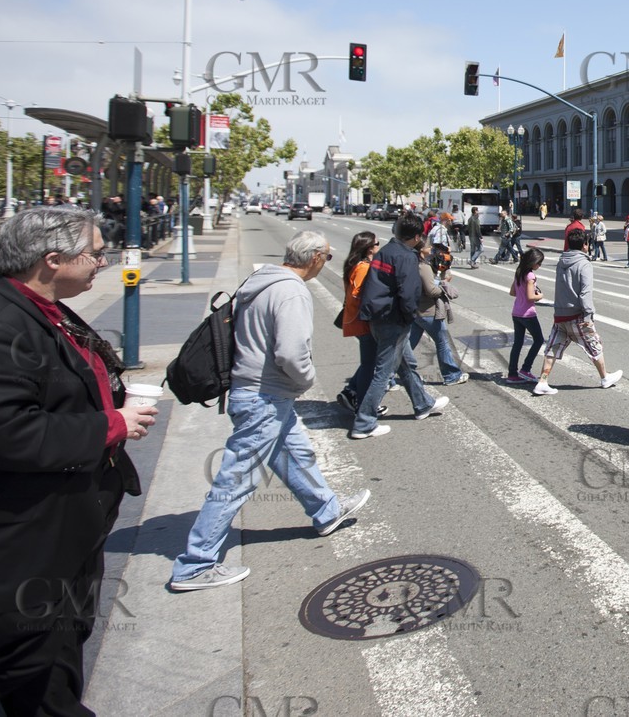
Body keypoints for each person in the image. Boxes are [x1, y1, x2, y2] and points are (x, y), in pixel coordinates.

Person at [0, 208, 154, 715]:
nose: (102, 261)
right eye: (94, 252)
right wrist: (111, 425)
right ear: (52, 260)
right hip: (22, 547)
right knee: (33, 674)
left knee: (57, 654)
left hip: (62, 533)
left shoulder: (43, 308)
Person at [169, 231, 372, 591]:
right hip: (266, 395)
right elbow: (291, 353)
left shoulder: (259, 280)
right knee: (237, 479)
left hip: (253, 390)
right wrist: (306, 380)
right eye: (325, 256)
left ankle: (326, 510)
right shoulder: (291, 291)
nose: (326, 262)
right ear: (312, 257)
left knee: (295, 454)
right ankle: (196, 563)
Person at [352, 212, 448, 438]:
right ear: (416, 237)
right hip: (393, 319)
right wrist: (409, 317)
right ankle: (364, 422)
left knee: (407, 364)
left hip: (379, 316)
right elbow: (409, 292)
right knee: (384, 372)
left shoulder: (386, 250)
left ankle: (423, 404)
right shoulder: (406, 257)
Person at [533, 228, 622, 396]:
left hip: (560, 314)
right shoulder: (584, 264)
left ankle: (542, 381)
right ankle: (605, 378)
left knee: (553, 347)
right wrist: (589, 315)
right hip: (577, 314)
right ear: (584, 245)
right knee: (593, 345)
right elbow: (585, 293)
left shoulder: (561, 261)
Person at [337, 231, 388, 418]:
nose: (378, 246)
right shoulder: (363, 268)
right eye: (377, 243)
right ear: (369, 248)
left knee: (369, 361)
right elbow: (358, 294)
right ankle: (363, 405)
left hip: (359, 319)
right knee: (369, 364)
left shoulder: (356, 265)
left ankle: (351, 392)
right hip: (363, 321)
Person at [410, 240, 465, 385]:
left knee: (407, 346)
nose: (431, 249)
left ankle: (389, 377)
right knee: (443, 343)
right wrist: (443, 286)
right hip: (428, 311)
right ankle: (452, 376)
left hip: (418, 311)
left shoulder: (415, 263)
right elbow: (431, 290)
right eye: (429, 247)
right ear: (422, 250)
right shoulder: (424, 267)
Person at [505, 248, 546, 384]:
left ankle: (512, 373)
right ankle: (526, 368)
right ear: (532, 262)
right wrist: (539, 296)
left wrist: (522, 293)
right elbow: (530, 297)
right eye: (539, 263)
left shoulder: (519, 273)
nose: (539, 266)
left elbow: (512, 292)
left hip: (516, 312)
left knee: (517, 343)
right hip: (528, 314)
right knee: (539, 340)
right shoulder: (530, 276)